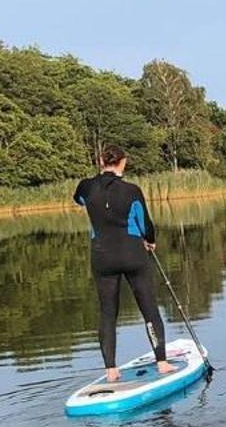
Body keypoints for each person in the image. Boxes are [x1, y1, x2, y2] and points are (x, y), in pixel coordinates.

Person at [73, 147, 174, 382]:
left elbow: (79, 200)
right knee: (149, 308)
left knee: (108, 313)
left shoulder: (86, 187)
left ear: (100, 161)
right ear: (123, 163)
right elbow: (145, 223)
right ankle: (162, 363)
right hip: (133, 256)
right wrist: (150, 241)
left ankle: (111, 371)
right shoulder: (132, 190)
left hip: (102, 257)